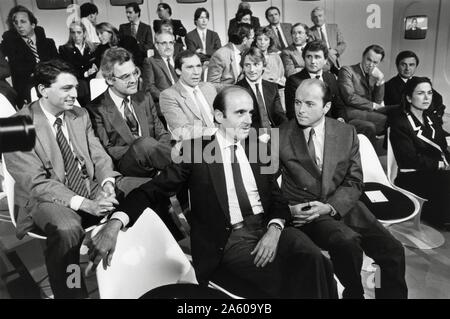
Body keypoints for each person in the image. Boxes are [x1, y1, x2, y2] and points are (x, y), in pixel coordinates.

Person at [114, 86, 338, 299]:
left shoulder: (258, 148)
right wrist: (116, 222)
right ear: (219, 116)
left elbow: (276, 197)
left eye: (250, 112)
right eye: (240, 113)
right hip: (228, 240)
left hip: (269, 227)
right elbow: (151, 191)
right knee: (294, 274)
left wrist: (275, 228)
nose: (249, 119)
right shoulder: (196, 151)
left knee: (316, 260)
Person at [3, 60, 127, 298]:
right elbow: (36, 183)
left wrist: (107, 184)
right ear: (43, 90)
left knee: (139, 187)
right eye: (66, 88)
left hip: (87, 185)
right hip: (44, 198)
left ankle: (137, 268)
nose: (74, 94)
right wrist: (86, 203)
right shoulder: (13, 126)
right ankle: (71, 293)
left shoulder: (79, 114)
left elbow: (98, 155)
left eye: (75, 87)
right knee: (68, 228)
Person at [278, 78, 407, 299]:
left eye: (309, 104)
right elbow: (266, 187)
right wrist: (288, 212)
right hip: (307, 212)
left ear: (326, 107)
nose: (300, 110)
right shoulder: (278, 135)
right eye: (297, 102)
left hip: (343, 204)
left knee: (392, 250)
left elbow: (355, 180)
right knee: (348, 243)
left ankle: (383, 293)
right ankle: (353, 292)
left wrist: (330, 207)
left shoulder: (347, 132)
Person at [87, 47, 171, 178]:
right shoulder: (95, 109)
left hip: (155, 161)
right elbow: (107, 150)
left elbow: (162, 134)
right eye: (126, 76)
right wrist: (143, 149)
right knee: (144, 144)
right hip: (125, 166)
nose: (133, 80)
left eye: (135, 72)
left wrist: (153, 155)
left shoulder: (145, 98)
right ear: (110, 80)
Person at [285, 40, 376, 144]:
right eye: (308, 56)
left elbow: (339, 105)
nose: (312, 61)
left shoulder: (330, 77)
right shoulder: (294, 81)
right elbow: (292, 113)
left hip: (334, 122)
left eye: (317, 57)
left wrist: (341, 119)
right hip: (312, 126)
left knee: (368, 128)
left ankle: (355, 160)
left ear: (325, 60)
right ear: (304, 58)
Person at [388, 77, 450, 227]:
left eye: (429, 92)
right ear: (409, 97)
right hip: (412, 176)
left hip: (433, 171)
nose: (427, 97)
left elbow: (442, 139)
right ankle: (441, 218)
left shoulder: (431, 117)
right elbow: (409, 159)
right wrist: (441, 165)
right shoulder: (399, 122)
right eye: (421, 93)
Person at [1, 5, 58, 108]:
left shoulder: (49, 43)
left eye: (23, 22)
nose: (19, 26)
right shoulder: (11, 45)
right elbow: (18, 69)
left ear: (33, 24)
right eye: (16, 22)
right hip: (27, 87)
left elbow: (57, 65)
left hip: (50, 80)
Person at [160, 51, 217, 142]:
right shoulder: (168, 95)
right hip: (192, 146)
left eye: (198, 66)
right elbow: (182, 130)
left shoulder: (208, 87)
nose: (196, 72)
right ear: (178, 71)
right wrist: (216, 132)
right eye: (190, 67)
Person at [384, 50, 445, 123]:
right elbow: (397, 108)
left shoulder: (421, 82)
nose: (407, 68)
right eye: (403, 64)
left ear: (416, 66)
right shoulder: (388, 85)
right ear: (397, 65)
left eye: (411, 65)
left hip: (428, 121)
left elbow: (438, 99)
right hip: (405, 124)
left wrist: (436, 117)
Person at [338, 44, 386, 136]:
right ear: (363, 56)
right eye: (369, 60)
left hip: (366, 112)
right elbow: (349, 97)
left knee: (395, 117)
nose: (371, 65)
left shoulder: (374, 75)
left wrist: (380, 80)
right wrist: (374, 105)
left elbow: (378, 101)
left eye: (375, 62)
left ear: (379, 63)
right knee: (386, 119)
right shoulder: (347, 70)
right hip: (349, 112)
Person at [237, 47, 286, 130]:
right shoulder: (237, 90)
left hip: (273, 132)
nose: (252, 70)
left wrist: (286, 131)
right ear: (243, 67)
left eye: (256, 64)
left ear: (263, 66)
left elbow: (279, 116)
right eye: (247, 65)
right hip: (251, 134)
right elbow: (240, 122)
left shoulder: (272, 87)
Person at [59, 21, 97, 107]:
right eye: (73, 33)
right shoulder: (64, 49)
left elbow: (96, 64)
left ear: (84, 33)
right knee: (82, 85)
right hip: (77, 82)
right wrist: (86, 73)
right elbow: (68, 70)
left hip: (92, 81)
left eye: (79, 32)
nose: (76, 35)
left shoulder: (93, 48)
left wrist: (95, 69)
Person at [142, 31, 179, 121]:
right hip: (164, 106)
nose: (168, 46)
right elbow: (149, 87)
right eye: (164, 43)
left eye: (171, 43)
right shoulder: (150, 62)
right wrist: (169, 99)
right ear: (156, 46)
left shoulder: (179, 60)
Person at [309, 7, 346, 75]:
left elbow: (343, 44)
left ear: (324, 16)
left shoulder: (334, 27)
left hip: (336, 60)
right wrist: (329, 54)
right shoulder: (310, 32)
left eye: (320, 16)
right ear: (312, 19)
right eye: (315, 17)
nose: (318, 19)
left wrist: (335, 52)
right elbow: (314, 49)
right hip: (323, 64)